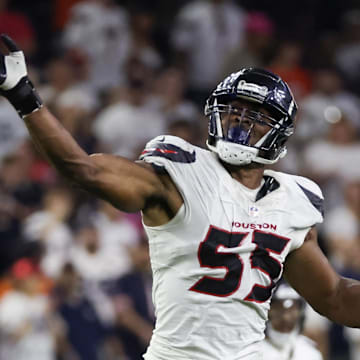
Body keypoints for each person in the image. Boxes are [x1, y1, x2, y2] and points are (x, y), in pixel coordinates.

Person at [1, 34, 360, 360]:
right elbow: (84, 169)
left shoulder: (293, 200)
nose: (239, 123)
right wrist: (23, 95)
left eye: (257, 117)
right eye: (234, 110)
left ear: (281, 135)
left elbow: (335, 299)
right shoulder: (179, 173)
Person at [262, 282, 323, 360]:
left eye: (292, 310)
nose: (286, 317)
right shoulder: (253, 351)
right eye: (278, 308)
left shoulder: (310, 352)